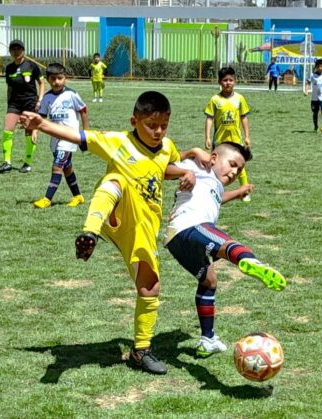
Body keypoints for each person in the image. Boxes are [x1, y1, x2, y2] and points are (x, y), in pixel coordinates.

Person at [21, 91, 208, 375]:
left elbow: (162, 166)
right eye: (151, 125)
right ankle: (89, 233)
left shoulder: (166, 146)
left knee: (150, 288)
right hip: (114, 214)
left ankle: (140, 351)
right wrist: (41, 124)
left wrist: (186, 171)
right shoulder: (119, 141)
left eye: (163, 126)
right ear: (134, 121)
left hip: (143, 228)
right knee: (115, 179)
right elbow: (80, 136)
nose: (158, 131)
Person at [164, 142, 287, 358]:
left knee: (209, 281)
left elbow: (216, 199)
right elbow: (161, 169)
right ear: (213, 157)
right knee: (226, 242)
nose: (234, 172)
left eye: (239, 170)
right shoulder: (200, 165)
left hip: (176, 239)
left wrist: (238, 193)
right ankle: (250, 260)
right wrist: (189, 162)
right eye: (232, 164)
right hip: (191, 225)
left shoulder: (214, 183)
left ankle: (208, 339)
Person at [33, 63, 90, 209]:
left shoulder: (71, 94)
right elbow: (41, 117)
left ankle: (47, 199)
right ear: (48, 80)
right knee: (67, 167)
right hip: (55, 137)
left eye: (60, 78)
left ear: (66, 79)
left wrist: (86, 132)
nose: (56, 82)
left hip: (70, 137)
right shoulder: (47, 98)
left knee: (57, 166)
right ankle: (78, 196)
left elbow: (83, 110)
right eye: (53, 79)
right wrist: (34, 130)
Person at [0, 39, 45, 174]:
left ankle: (27, 163)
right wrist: (8, 104)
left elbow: (41, 83)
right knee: (7, 130)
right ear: (10, 51)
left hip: (29, 104)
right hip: (14, 104)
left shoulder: (32, 66)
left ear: (23, 51)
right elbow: (9, 87)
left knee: (29, 133)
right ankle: (7, 162)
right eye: (13, 49)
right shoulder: (9, 68)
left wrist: (40, 100)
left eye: (18, 49)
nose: (16, 51)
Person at [204, 67, 252, 202]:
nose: (228, 83)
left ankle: (245, 190)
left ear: (235, 81)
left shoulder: (239, 99)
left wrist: (247, 136)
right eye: (225, 80)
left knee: (239, 166)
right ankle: (214, 189)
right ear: (219, 82)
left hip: (236, 139)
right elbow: (209, 118)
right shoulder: (215, 99)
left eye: (231, 80)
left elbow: (244, 117)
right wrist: (207, 136)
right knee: (216, 165)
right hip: (220, 140)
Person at [304, 58, 322, 134]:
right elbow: (307, 82)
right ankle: (316, 127)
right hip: (314, 98)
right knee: (315, 113)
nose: (320, 68)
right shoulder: (312, 75)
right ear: (316, 67)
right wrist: (306, 90)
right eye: (319, 66)